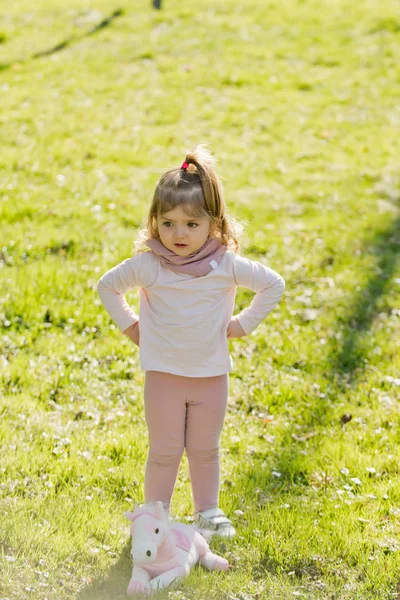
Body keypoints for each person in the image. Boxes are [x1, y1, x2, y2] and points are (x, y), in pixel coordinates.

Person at [97, 145, 285, 538]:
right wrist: (133, 328)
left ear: (214, 224)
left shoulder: (225, 265)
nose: (178, 234)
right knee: (164, 450)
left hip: (210, 375)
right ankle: (155, 516)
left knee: (204, 449)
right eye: (167, 223)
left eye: (191, 224)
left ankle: (208, 512)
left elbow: (273, 284)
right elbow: (108, 287)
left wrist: (243, 324)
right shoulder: (150, 264)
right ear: (154, 223)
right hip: (164, 375)